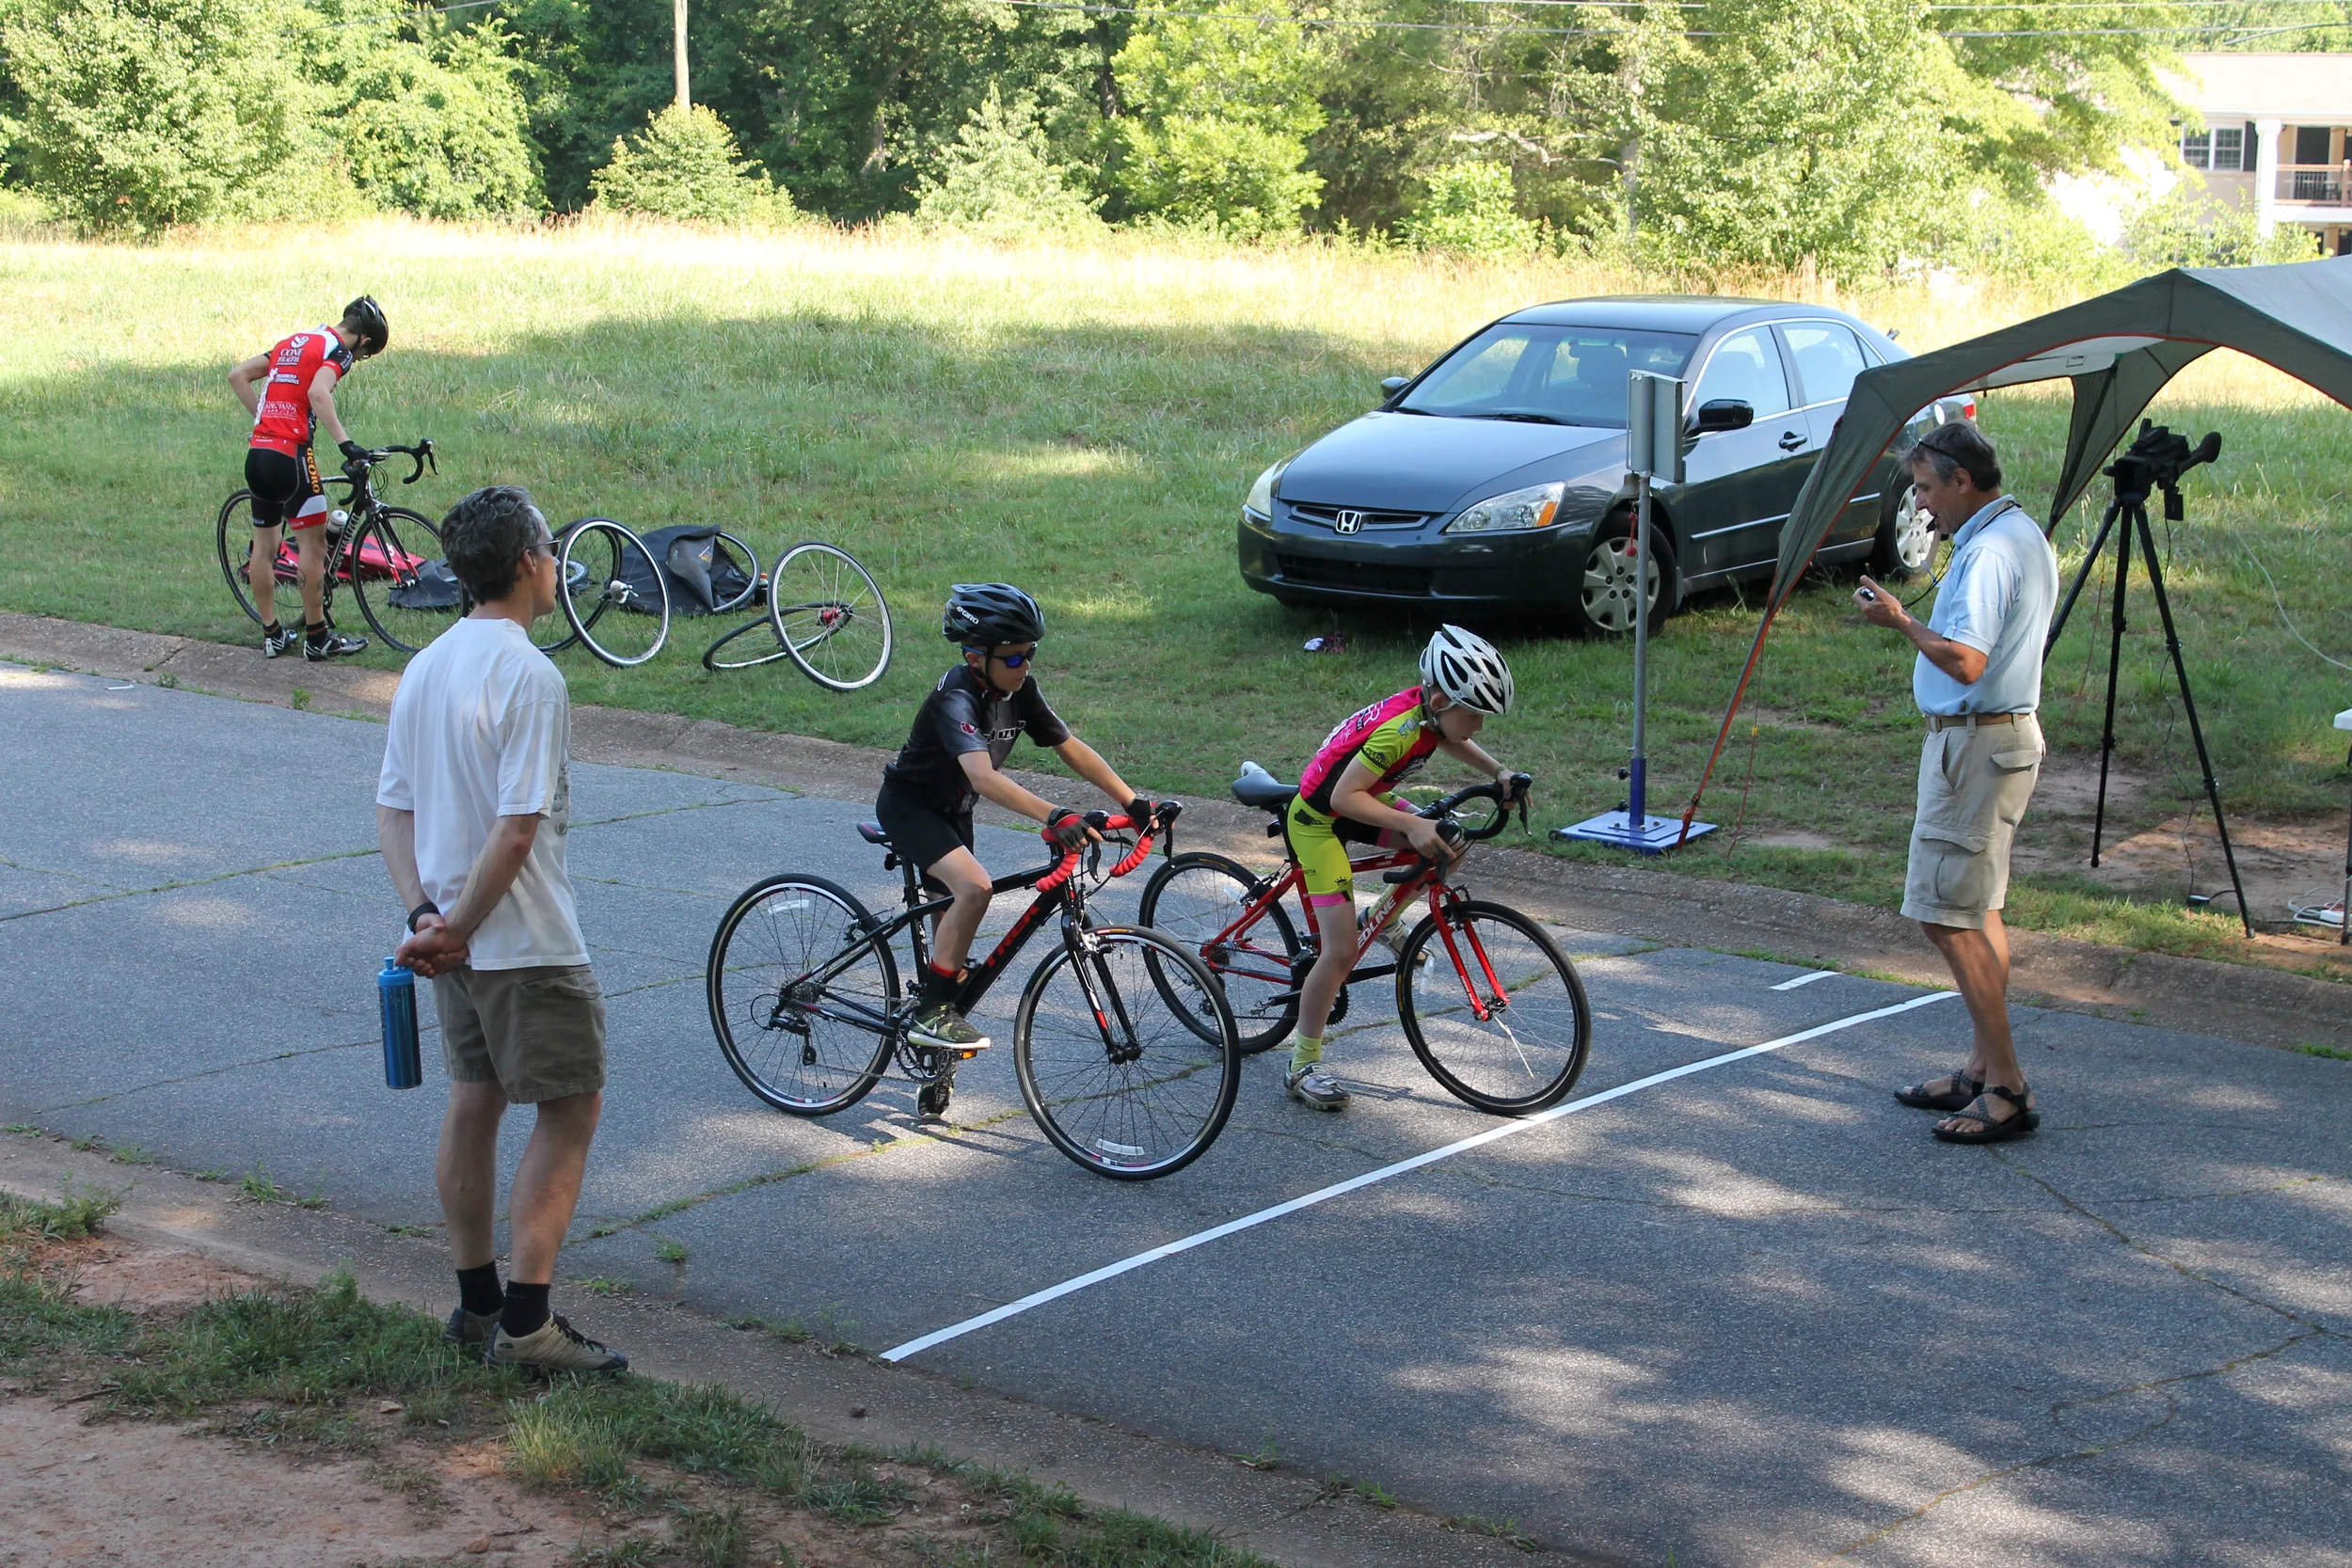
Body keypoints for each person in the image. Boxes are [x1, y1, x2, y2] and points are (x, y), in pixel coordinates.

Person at [375, 484, 626, 1372]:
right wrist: (460, 929)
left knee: (473, 1104)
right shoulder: (530, 674)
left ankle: (477, 1304)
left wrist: (427, 917)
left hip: (455, 942)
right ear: (526, 562)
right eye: (551, 550)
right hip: (525, 942)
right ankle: (528, 1324)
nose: (557, 566)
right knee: (571, 1106)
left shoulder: (428, 664)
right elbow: (517, 828)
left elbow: (392, 808)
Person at [877, 582, 1154, 1117]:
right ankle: (928, 1018)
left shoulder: (1016, 689)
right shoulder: (954, 697)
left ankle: (938, 1044)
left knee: (952, 964)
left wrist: (1133, 800)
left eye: (1031, 653)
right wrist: (1055, 815)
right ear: (975, 657)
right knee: (974, 888)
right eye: (1014, 656)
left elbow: (1068, 746)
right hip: (910, 808)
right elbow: (981, 776)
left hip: (953, 814)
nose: (1026, 665)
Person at [1855, 420, 2058, 1144]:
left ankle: (2006, 1085)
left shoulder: (1990, 552)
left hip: (1974, 748)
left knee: (1947, 915)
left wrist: (1901, 621)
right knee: (1980, 909)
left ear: (1961, 481)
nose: (1921, 506)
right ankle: (1981, 1065)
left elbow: (1968, 663)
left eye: (1925, 488)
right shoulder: (2016, 532)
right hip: (1995, 743)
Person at [1282, 625, 1527, 1112]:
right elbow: (1340, 797)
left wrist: (1497, 771)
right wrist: (1409, 826)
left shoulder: (1428, 716)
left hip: (1360, 800)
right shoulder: (1399, 731)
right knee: (1339, 954)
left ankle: (1386, 918)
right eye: (1475, 713)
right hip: (1318, 819)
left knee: (1450, 843)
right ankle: (1302, 1064)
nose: (1479, 725)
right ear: (1439, 700)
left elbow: (1450, 738)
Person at [226, 296, 389, 660]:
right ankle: (317, 637)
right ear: (363, 342)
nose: (358, 361)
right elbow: (318, 392)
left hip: (258, 453)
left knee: (264, 550)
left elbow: (237, 375)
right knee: (314, 549)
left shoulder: (295, 341)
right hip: (291, 456)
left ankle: (272, 634)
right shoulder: (339, 350)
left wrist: (263, 418)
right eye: (365, 356)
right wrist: (347, 445)